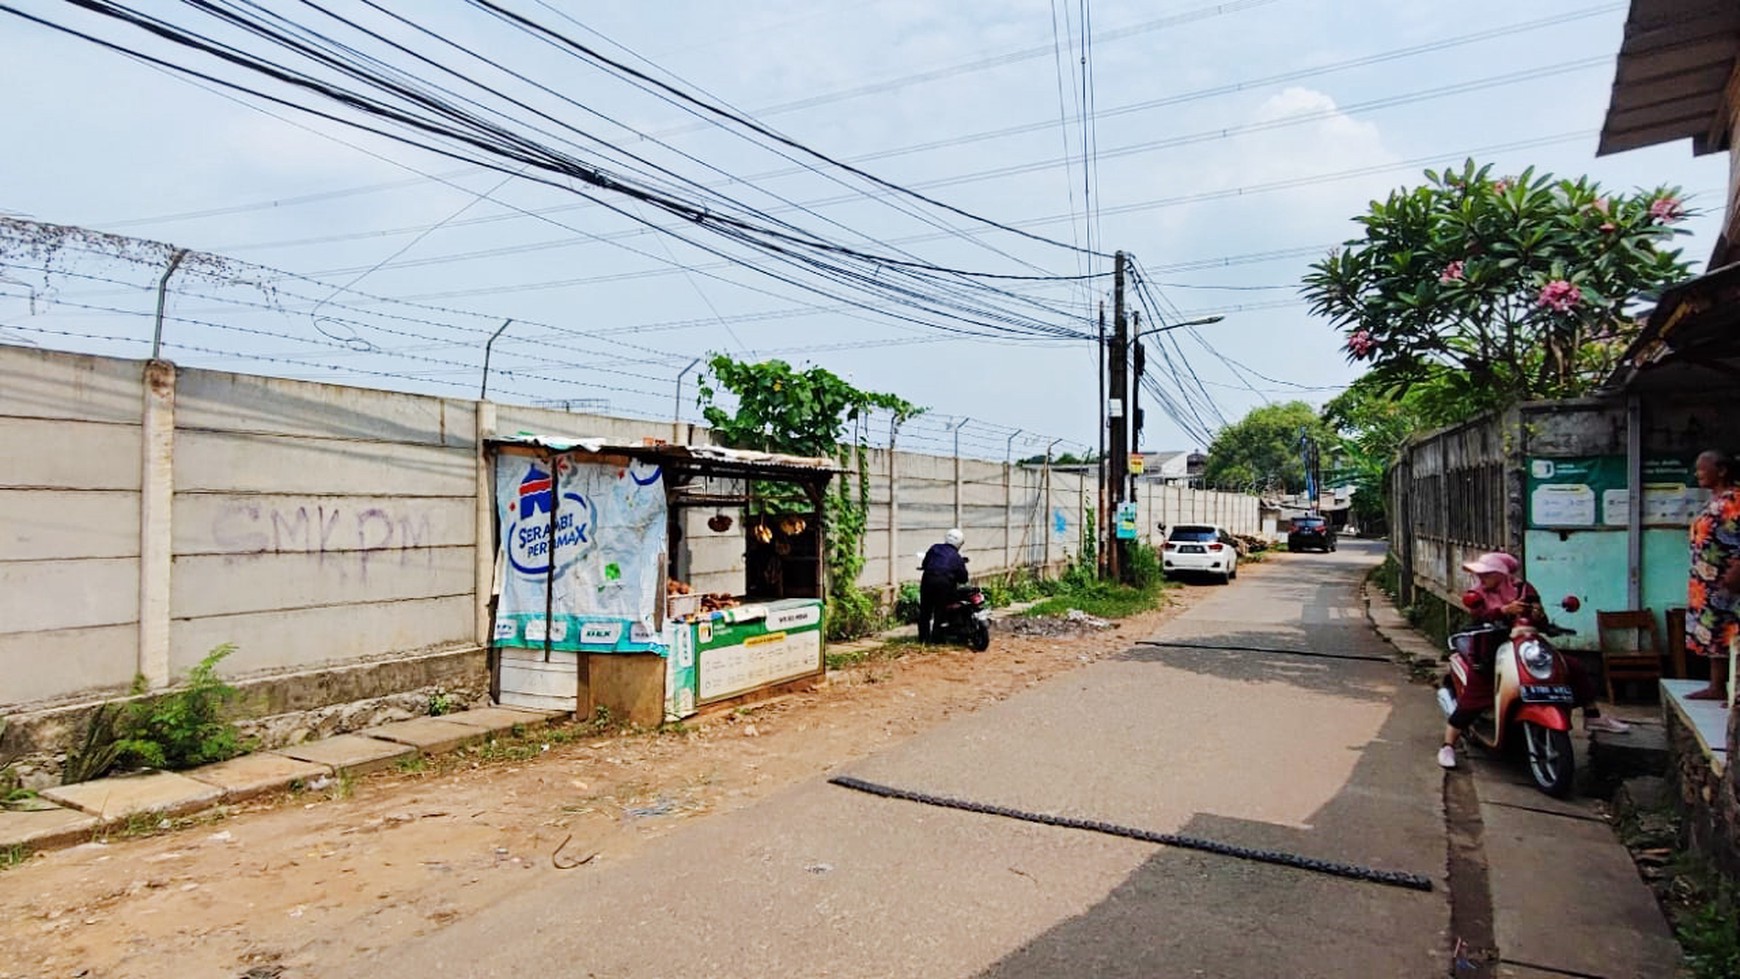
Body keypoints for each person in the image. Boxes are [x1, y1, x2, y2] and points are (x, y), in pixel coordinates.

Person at [1438, 551, 1627, 769]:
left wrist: (1538, 615)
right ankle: (1448, 745)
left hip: (1525, 646)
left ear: (1501, 574)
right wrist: (1503, 610)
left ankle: (1592, 715)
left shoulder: (1523, 589)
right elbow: (1479, 615)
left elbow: (1539, 615)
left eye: (1487, 573)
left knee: (1572, 667)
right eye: (1481, 574)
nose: (1482, 578)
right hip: (1488, 652)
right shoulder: (1477, 593)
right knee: (1472, 702)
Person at [1687, 449, 1740, 701]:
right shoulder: (1715, 500)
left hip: (1729, 579)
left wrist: (1737, 568)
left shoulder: (1734, 499)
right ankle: (1717, 686)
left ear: (1721, 470)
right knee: (1716, 632)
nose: (1697, 473)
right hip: (1707, 581)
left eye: (1702, 467)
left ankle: (1734, 692)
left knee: (1733, 631)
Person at [917, 528, 969, 644]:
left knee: (925, 610)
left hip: (928, 581)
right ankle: (937, 638)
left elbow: (925, 564)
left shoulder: (934, 548)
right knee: (940, 611)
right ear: (959, 543)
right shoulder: (957, 557)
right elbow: (963, 577)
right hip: (944, 584)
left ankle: (923, 639)